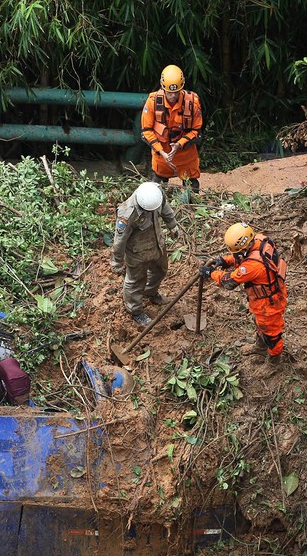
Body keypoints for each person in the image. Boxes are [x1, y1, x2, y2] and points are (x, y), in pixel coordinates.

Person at [202, 223, 288, 359]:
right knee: (260, 323)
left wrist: (212, 273)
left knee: (272, 334)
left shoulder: (253, 267)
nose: (235, 255)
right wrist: (224, 260)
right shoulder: (259, 239)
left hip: (268, 304)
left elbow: (229, 282)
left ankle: (274, 359)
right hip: (269, 295)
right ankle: (260, 347)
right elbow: (245, 257)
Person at [110, 181, 179, 326]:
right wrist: (117, 261)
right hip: (137, 254)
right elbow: (119, 240)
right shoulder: (127, 213)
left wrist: (172, 225)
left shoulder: (156, 193)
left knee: (160, 271)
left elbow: (165, 208)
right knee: (135, 282)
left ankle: (150, 292)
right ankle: (134, 310)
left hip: (157, 246)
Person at [141, 65, 203, 194]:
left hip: (185, 151)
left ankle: (190, 206)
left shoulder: (192, 102)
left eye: (176, 92)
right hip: (162, 152)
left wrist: (179, 145)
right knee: (157, 185)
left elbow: (196, 130)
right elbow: (146, 130)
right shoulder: (152, 102)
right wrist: (161, 151)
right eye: (169, 92)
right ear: (162, 87)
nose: (173, 96)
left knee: (191, 184)